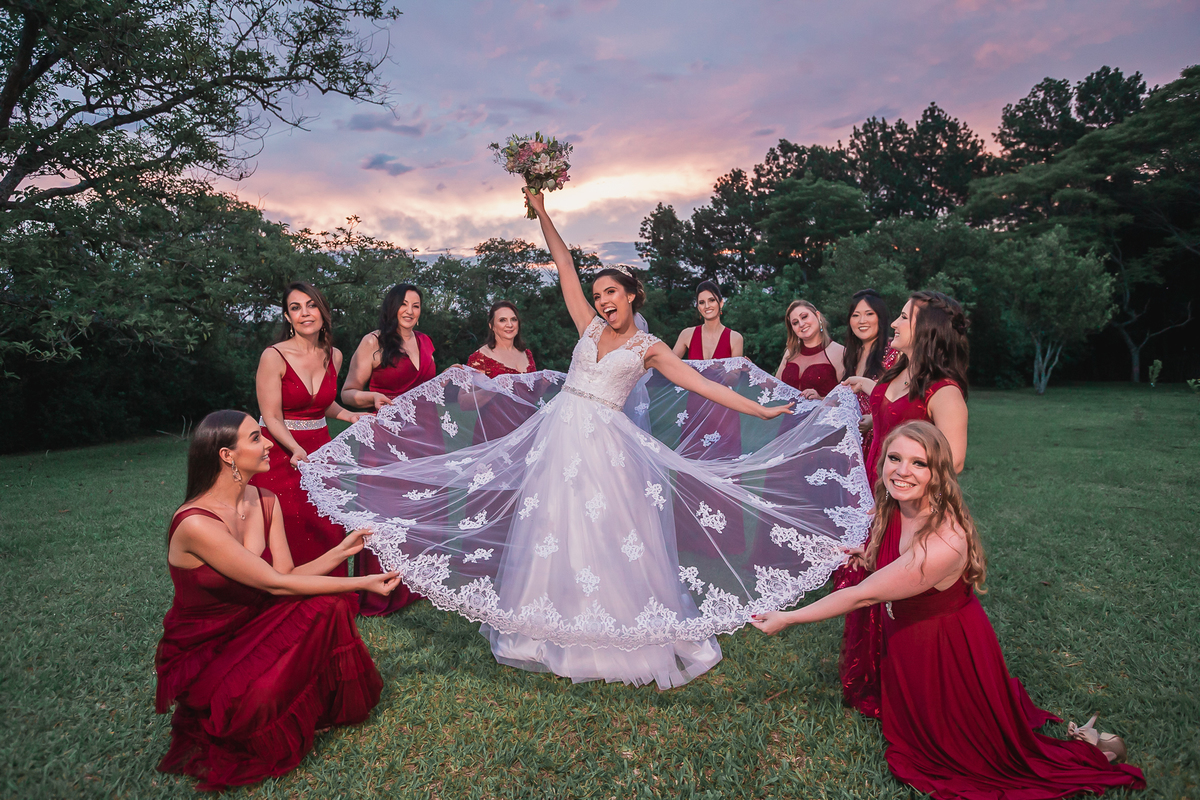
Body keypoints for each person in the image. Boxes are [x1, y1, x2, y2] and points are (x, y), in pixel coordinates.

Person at [298, 188, 873, 690]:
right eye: (597, 294)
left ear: (632, 296)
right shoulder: (588, 326)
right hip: (559, 437)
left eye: (611, 293)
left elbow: (700, 384)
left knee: (612, 532)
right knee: (552, 526)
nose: (602, 300)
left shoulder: (650, 349)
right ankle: (543, 632)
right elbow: (564, 264)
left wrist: (758, 410)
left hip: (606, 444)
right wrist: (543, 211)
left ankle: (619, 635)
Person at [751, 421, 1145, 799]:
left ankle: (1099, 751)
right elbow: (888, 563)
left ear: (937, 473)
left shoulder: (944, 541)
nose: (902, 471)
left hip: (942, 651)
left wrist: (788, 616)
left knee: (969, 758)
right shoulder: (894, 504)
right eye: (894, 458)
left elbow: (863, 596)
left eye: (918, 463)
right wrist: (868, 553)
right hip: (907, 642)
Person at [156, 410, 400, 792]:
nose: (270, 442)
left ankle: (315, 705)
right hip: (208, 648)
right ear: (226, 455)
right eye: (256, 438)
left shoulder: (266, 499)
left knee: (332, 607)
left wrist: (340, 551)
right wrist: (363, 581)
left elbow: (285, 576)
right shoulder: (196, 523)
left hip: (258, 619)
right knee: (254, 707)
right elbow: (277, 586)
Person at [837, 289, 970, 717]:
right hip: (874, 497)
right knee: (870, 586)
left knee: (897, 595)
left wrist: (897, 485)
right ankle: (871, 677)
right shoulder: (897, 371)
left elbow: (955, 459)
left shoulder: (943, 391)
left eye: (903, 318)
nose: (893, 323)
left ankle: (905, 688)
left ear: (926, 331)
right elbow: (883, 418)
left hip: (908, 509)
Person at [251, 282, 362, 576]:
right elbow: (271, 416)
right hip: (278, 450)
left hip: (321, 448)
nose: (305, 313)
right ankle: (282, 592)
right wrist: (295, 448)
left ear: (323, 311)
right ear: (288, 317)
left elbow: (322, 404)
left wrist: (350, 416)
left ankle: (327, 596)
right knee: (287, 521)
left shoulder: (334, 355)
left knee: (326, 520)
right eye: (295, 308)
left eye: (311, 305)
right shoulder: (273, 356)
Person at [340, 283, 438, 616]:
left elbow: (429, 388)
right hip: (385, 439)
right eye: (405, 304)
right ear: (392, 307)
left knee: (416, 511)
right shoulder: (374, 342)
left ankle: (412, 586)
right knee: (383, 513)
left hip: (423, 435)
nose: (411, 311)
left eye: (417, 305)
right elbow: (348, 392)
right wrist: (372, 399)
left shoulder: (425, 342)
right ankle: (379, 592)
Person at [831, 287, 896, 718]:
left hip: (883, 444)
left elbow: (892, 406)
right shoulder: (849, 356)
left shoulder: (890, 358)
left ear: (882, 317)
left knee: (878, 523)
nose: (861, 319)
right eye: (855, 314)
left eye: (869, 313)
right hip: (853, 444)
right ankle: (854, 581)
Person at [776, 300, 845, 399]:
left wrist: (821, 399)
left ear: (817, 315)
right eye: (795, 323)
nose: (801, 324)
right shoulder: (790, 352)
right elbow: (774, 387)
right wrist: (750, 370)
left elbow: (848, 399)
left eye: (804, 317)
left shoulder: (839, 352)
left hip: (824, 414)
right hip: (789, 414)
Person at [670, 280, 744, 360]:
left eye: (712, 300)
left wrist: (746, 369)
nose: (707, 306)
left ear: (721, 303)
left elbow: (735, 372)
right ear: (698, 308)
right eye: (702, 302)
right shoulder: (686, 335)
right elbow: (668, 366)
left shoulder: (735, 338)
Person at [467, 300, 537, 378]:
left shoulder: (527, 354)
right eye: (502, 320)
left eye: (513, 319)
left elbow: (536, 389)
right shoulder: (480, 358)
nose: (510, 325)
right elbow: (471, 389)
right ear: (492, 326)